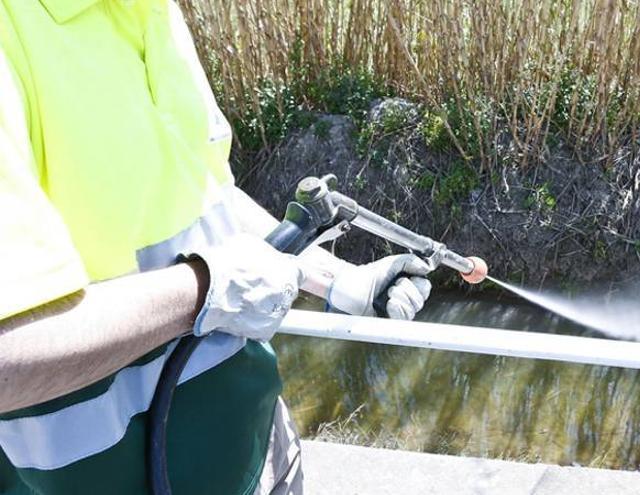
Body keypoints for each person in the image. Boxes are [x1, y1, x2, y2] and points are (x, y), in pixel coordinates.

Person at [0, 1, 433, 493]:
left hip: (257, 447)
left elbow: (202, 199)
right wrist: (204, 290)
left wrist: (334, 279)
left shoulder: (152, 12)